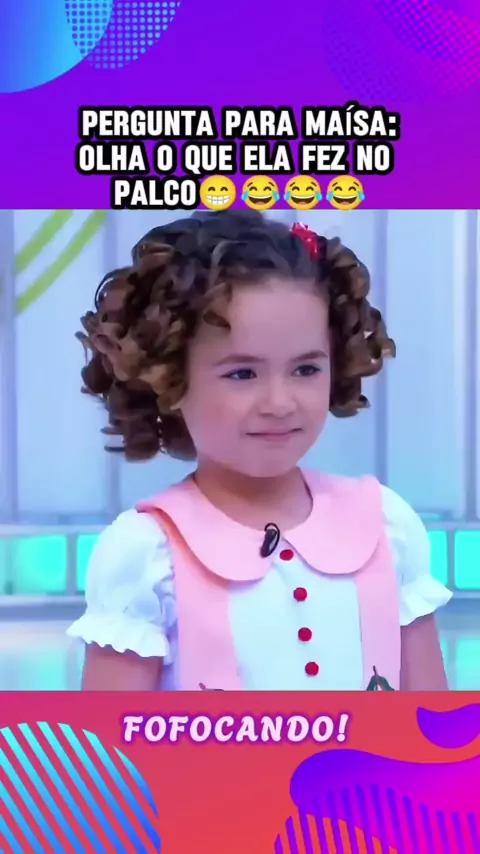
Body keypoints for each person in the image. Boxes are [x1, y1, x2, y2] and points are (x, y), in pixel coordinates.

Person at [68, 210, 451, 692]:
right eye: (242, 374)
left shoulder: (387, 525)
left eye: (306, 369)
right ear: (168, 377)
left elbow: (433, 721)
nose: (279, 403)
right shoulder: (144, 553)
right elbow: (109, 737)